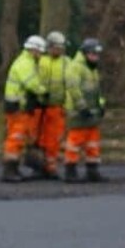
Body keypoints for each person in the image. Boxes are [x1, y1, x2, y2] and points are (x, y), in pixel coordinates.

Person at [61, 39, 108, 183]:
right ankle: (70, 171)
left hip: (91, 112)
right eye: (93, 54)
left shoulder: (91, 68)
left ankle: (92, 170)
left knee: (92, 142)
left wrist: (101, 105)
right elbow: (73, 89)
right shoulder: (75, 67)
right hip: (78, 112)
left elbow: (96, 91)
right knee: (74, 142)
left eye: (97, 54)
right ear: (85, 53)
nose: (96, 57)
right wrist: (82, 107)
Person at [1, 36, 47, 182]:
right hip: (18, 108)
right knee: (16, 138)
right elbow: (31, 83)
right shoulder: (25, 63)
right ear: (34, 50)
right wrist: (44, 91)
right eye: (40, 51)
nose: (41, 55)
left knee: (19, 138)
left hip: (19, 107)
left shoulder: (25, 61)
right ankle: (9, 170)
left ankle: (13, 168)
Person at [33, 32, 71, 179]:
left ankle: (51, 167)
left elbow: (71, 85)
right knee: (36, 138)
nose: (59, 50)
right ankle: (38, 166)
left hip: (57, 107)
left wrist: (67, 105)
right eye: (56, 47)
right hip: (39, 107)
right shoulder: (40, 61)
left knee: (54, 139)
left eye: (61, 47)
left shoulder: (66, 63)